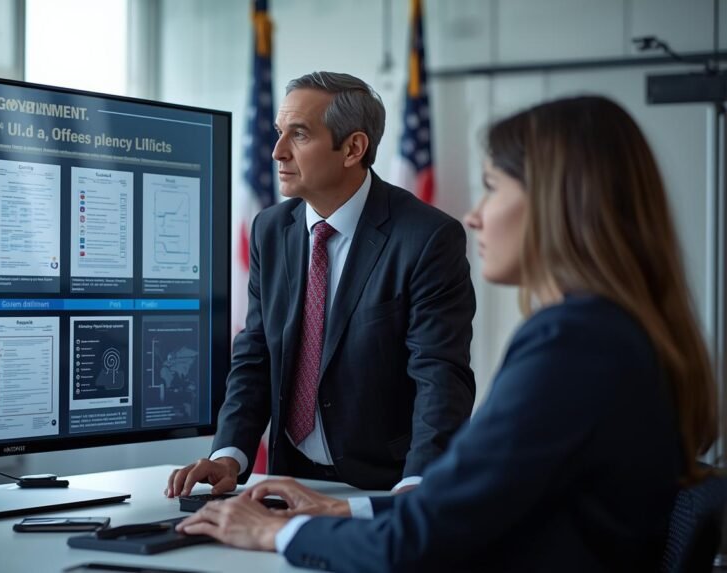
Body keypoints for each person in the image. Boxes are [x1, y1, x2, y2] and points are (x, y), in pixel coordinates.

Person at [176, 95, 719, 571]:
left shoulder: (571, 345)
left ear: (558, 203)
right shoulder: (616, 334)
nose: (475, 216)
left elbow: (422, 537)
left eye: (491, 188)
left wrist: (276, 532)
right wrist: (345, 507)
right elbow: (477, 501)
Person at [166, 71, 476, 497]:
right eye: (279, 133)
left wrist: (418, 485)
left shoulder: (427, 238)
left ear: (353, 148)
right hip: (287, 479)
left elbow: (439, 374)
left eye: (299, 135)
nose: (277, 152)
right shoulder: (270, 230)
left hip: (386, 485)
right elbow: (256, 352)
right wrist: (229, 456)